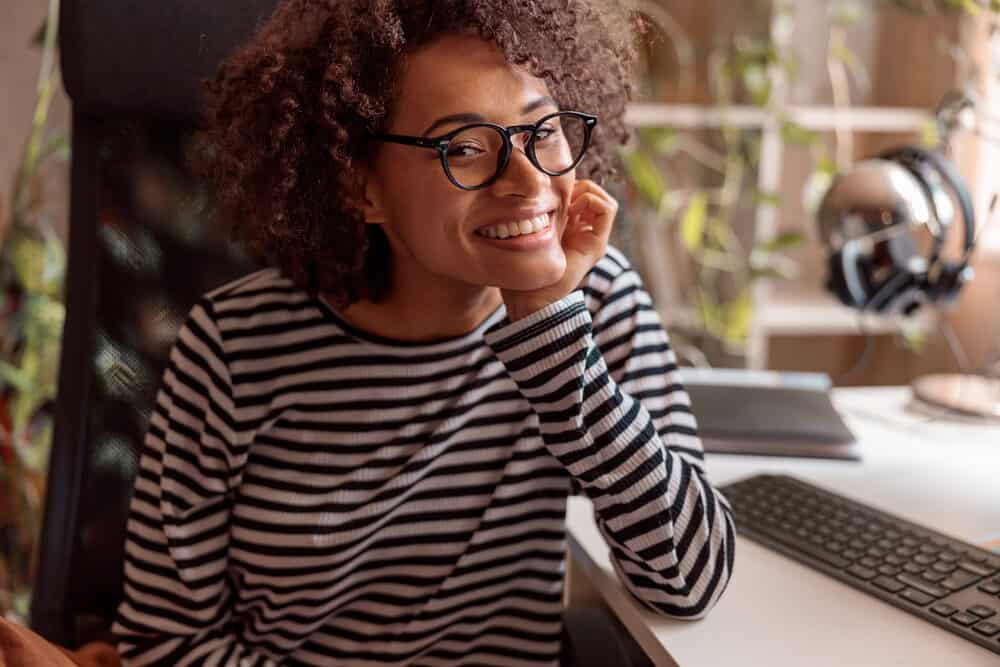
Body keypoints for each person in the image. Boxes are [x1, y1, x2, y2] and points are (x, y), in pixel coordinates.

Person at [111, 1, 736, 665]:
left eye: (543, 132)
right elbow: (166, 642)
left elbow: (690, 580)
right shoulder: (235, 349)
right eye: (464, 147)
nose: (529, 183)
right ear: (360, 185)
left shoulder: (594, 297)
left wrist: (556, 350)